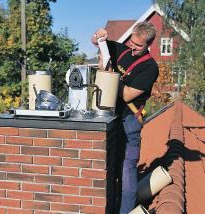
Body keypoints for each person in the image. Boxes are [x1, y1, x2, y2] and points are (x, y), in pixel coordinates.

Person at [92, 22, 159, 213]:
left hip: (129, 122)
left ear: (148, 45)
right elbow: (96, 42)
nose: (132, 47)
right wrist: (98, 36)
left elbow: (128, 94)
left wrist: (110, 76)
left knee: (127, 172)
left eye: (138, 46)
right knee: (109, 166)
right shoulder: (122, 49)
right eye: (132, 41)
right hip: (111, 117)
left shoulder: (149, 67)